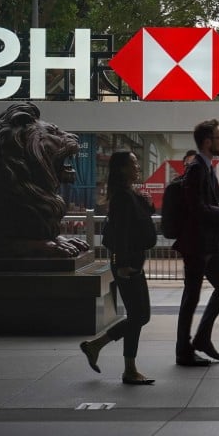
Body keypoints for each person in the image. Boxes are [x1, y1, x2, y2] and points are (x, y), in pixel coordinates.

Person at [79, 150, 155, 385]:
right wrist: (121, 265)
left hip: (132, 263)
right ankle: (127, 368)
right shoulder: (122, 197)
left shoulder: (127, 194)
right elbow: (122, 231)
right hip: (126, 265)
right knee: (138, 315)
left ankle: (97, 346)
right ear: (122, 168)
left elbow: (142, 217)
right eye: (133, 163)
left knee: (141, 315)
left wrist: (144, 200)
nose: (137, 167)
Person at [174, 119, 219, 367]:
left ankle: (201, 339)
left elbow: (201, 205)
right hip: (197, 245)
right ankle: (184, 351)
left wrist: (218, 213)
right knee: (192, 297)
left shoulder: (207, 167)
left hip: (209, 244)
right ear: (208, 141)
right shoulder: (197, 168)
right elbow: (195, 207)